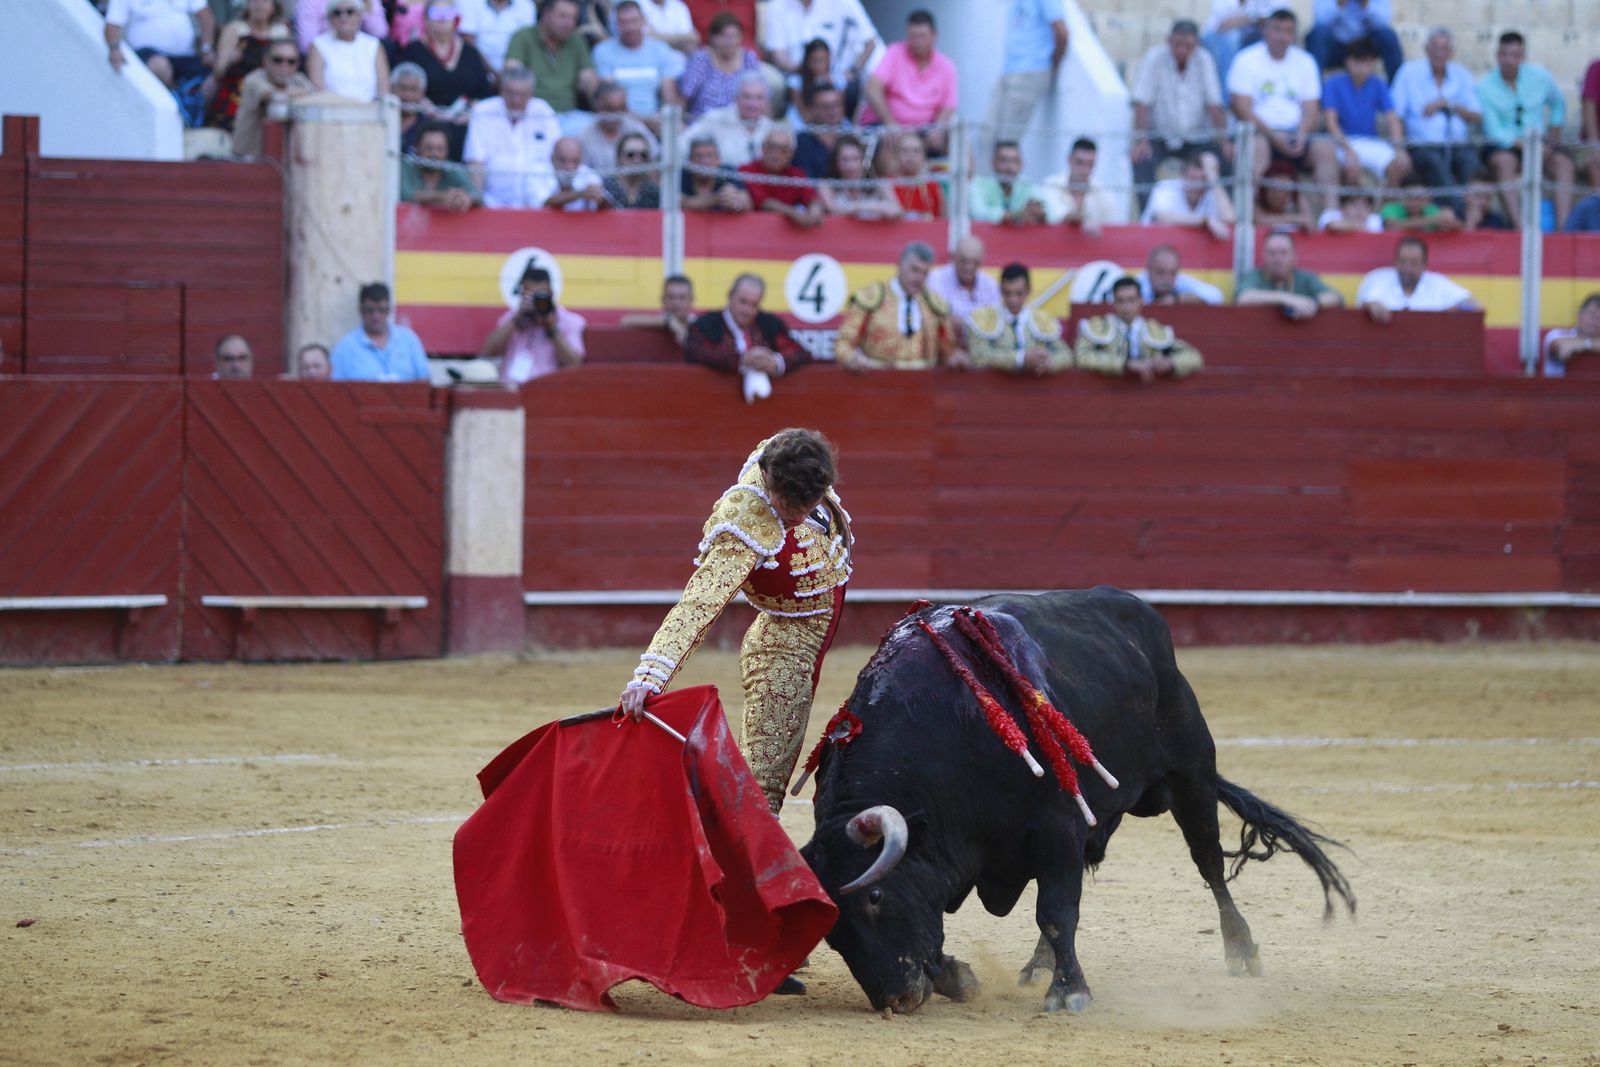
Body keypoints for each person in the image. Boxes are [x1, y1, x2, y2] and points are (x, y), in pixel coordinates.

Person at [617, 428, 853, 828]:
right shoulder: (744, 525)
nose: (796, 514)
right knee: (762, 788)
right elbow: (700, 602)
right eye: (786, 503)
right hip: (785, 639)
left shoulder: (793, 456)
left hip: (815, 619)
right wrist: (650, 676)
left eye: (807, 502)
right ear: (767, 479)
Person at [1478, 31, 1577, 231]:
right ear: (1497, 55)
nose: (1509, 60)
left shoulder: (1540, 77)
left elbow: (1558, 104)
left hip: (1541, 142)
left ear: (1523, 57)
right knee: (1503, 163)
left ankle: (1562, 230)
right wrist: (1530, 147)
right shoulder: (1484, 86)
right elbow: (1494, 132)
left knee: (1564, 165)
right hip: (1508, 146)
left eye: (1515, 55)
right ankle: (1519, 228)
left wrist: (1552, 139)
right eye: (1504, 54)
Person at [1131, 19, 1230, 208]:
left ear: (1197, 45)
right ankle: (1150, 215)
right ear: (1169, 41)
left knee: (1224, 159)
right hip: (1159, 136)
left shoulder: (1204, 59)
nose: (1182, 50)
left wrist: (1224, 140)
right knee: (1141, 158)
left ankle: (1221, 216)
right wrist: (1141, 139)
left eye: (1188, 46)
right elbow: (1141, 102)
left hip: (1196, 138)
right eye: (1178, 44)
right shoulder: (1155, 57)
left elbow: (1214, 104)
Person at [1227, 8, 1321, 193]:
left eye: (1288, 31)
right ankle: (1254, 212)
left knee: (1324, 149)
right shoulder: (1245, 59)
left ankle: (1330, 214)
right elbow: (1241, 109)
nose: (1283, 37)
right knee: (1258, 146)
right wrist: (1272, 135)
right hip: (1259, 133)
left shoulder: (1306, 61)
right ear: (1265, 31)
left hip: (1295, 135)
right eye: (1277, 30)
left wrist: (1301, 135)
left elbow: (1311, 109)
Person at [1390, 28, 1481, 215]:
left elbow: (1476, 115)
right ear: (1426, 50)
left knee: (1471, 164)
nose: (1439, 53)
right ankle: (1457, 214)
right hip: (1422, 145)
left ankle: (1473, 213)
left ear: (1451, 52)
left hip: (1457, 144)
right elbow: (1395, 115)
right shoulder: (1409, 73)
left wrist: (1448, 104)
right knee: (1434, 163)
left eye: (1444, 48)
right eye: (1435, 47)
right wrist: (1399, 149)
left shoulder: (1462, 75)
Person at [833, 241, 958, 371]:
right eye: (914, 270)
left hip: (923, 384)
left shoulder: (934, 305)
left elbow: (948, 351)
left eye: (925, 273)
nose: (919, 278)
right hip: (878, 380)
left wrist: (955, 358)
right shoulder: (873, 298)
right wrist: (853, 359)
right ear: (899, 266)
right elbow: (843, 344)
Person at [685, 273, 812, 393]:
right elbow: (696, 351)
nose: (747, 310)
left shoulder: (770, 324)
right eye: (743, 302)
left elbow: (800, 352)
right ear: (730, 295)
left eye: (754, 305)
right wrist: (742, 360)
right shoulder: (706, 324)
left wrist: (775, 362)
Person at [859, 9, 959, 157]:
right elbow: (872, 88)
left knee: (960, 141)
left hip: (924, 132)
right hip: (888, 127)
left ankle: (965, 180)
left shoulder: (946, 66)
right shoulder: (894, 53)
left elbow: (949, 106)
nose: (918, 42)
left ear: (934, 36)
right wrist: (890, 122)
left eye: (922, 36)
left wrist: (938, 127)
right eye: (913, 36)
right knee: (890, 143)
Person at [1320, 36, 1410, 193]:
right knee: (1352, 168)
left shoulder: (1377, 84)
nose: (1362, 68)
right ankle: (1352, 211)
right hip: (1342, 142)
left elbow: (1392, 119)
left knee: (1402, 164)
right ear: (1348, 62)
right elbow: (1331, 122)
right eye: (1358, 62)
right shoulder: (1334, 83)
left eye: (1367, 63)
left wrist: (1399, 148)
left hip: (1370, 141)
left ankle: (1383, 212)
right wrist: (1348, 150)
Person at [464, 67, 562, 207]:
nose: (516, 100)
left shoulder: (544, 111)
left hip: (540, 201)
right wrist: (479, 204)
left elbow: (559, 157)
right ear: (501, 91)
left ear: (532, 93)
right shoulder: (483, 111)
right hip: (493, 202)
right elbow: (475, 162)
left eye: (522, 95)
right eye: (511, 94)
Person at [1074, 276, 1203, 381]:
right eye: (1121, 301)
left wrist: (1170, 363)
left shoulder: (1155, 331)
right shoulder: (1099, 328)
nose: (1126, 307)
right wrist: (1125, 364)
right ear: (1113, 303)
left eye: (1131, 300)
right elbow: (1081, 357)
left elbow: (1194, 357)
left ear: (1141, 301)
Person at [984, 0, 1069, 151]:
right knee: (986, 137)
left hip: (1030, 71)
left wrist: (1052, 68)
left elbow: (1061, 32)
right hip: (1009, 71)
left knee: (1007, 142)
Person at [482, 262, 586, 383]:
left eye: (540, 296)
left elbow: (574, 362)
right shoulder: (512, 318)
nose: (535, 302)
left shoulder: (570, 321)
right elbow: (488, 352)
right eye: (530, 296)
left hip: (547, 391)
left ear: (550, 294)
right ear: (521, 294)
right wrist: (516, 318)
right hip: (511, 389)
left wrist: (551, 327)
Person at [763, 0, 882, 104]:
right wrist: (809, 72)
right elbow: (778, 55)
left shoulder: (844, 2)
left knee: (854, 90)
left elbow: (870, 42)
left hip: (840, 79)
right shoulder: (776, 5)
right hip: (799, 78)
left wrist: (851, 72)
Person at [395, 4, 496, 125]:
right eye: (436, 12)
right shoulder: (413, 51)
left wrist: (470, 114)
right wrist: (432, 112)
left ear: (456, 19)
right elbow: (404, 88)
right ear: (426, 19)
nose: (442, 18)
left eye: (449, 13)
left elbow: (483, 94)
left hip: (467, 123)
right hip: (425, 123)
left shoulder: (471, 53)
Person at [964, 263, 1070, 375]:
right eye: (1007, 293)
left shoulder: (1041, 319)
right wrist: (1020, 359)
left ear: (1028, 291)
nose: (1013, 300)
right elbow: (978, 356)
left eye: (1019, 293)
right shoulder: (984, 318)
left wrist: (1048, 362)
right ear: (1000, 290)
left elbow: (1066, 354)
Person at [206, 0, 292, 132]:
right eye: (254, 1)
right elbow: (218, 72)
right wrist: (229, 60)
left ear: (273, 7)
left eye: (264, 1)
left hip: (271, 94)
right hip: (237, 97)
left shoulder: (280, 32)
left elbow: (290, 65)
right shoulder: (235, 30)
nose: (259, 4)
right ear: (247, 5)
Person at [592, 0, 685, 118]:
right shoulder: (603, 52)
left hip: (656, 119)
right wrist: (643, 121)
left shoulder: (660, 50)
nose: (630, 27)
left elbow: (669, 97)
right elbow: (610, 100)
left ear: (643, 21)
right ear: (616, 25)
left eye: (634, 21)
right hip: (619, 120)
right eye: (623, 22)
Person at [504, 0, 597, 117]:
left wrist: (600, 96)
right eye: (563, 16)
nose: (569, 23)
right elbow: (512, 71)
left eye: (573, 18)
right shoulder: (523, 37)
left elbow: (588, 79)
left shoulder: (576, 41)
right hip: (531, 115)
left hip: (568, 115)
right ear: (546, 14)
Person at [1356, 236, 1478, 322]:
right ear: (1395, 262)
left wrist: (1445, 316)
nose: (1407, 268)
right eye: (1402, 262)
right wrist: (1370, 305)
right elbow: (1361, 304)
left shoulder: (1437, 283)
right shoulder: (1377, 279)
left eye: (1414, 263)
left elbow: (1473, 305)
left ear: (1424, 265)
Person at [105, 0, 216, 90]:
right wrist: (114, 49)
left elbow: (206, 16)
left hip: (185, 55)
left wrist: (207, 49)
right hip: (149, 54)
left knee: (212, 78)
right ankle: (178, 99)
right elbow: (112, 25)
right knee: (159, 66)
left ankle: (192, 112)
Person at [232, 36, 314, 158]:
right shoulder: (255, 78)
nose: (284, 66)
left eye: (291, 61)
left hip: (282, 160)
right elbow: (272, 96)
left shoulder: (298, 79)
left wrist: (308, 93)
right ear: (266, 61)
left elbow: (319, 95)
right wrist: (306, 93)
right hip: (248, 158)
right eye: (278, 60)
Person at [331, 283, 433, 380]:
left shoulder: (408, 340)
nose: (376, 316)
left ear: (389, 310)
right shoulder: (345, 347)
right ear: (360, 310)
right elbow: (337, 389)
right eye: (370, 310)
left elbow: (424, 381)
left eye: (381, 310)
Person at [1235, 230, 1343, 319]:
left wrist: (1310, 303)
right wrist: (1287, 299)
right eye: (1271, 253)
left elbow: (1335, 297)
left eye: (1284, 253)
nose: (1278, 259)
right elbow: (1243, 298)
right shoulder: (1255, 276)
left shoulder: (1305, 277)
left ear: (1294, 256)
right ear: (1264, 256)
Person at [677, 11, 761, 119]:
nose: (729, 41)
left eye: (734, 36)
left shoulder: (749, 58)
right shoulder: (701, 59)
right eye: (724, 36)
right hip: (705, 123)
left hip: (740, 124)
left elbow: (760, 96)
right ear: (712, 37)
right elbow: (685, 96)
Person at [679, 72, 773, 168]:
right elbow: (682, 145)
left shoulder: (770, 129)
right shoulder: (715, 119)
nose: (752, 104)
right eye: (746, 97)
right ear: (736, 98)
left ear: (766, 101)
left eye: (759, 98)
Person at [1140, 151, 1234, 240]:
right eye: (1192, 178)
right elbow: (1161, 216)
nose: (1198, 185)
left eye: (1203, 179)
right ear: (1182, 176)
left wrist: (1213, 177)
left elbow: (1229, 220)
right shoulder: (1166, 187)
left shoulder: (1211, 195)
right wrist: (1205, 220)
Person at [738, 127, 823, 226]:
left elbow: (810, 197)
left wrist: (815, 209)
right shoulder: (748, 170)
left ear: (791, 154)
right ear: (763, 148)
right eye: (771, 147)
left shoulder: (796, 174)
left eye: (783, 150)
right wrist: (793, 213)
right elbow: (764, 202)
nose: (776, 154)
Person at [307, 0, 389, 101]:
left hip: (370, 111)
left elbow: (383, 90)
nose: (343, 17)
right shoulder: (318, 45)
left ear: (359, 16)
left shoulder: (373, 45)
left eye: (350, 12)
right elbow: (318, 88)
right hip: (331, 111)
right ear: (330, 18)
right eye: (337, 13)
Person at [1305, 0, 1403, 81]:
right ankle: (1314, 92)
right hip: (1336, 47)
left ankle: (1397, 88)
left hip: (1366, 46)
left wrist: (1365, 4)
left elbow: (1384, 22)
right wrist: (1339, 4)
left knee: (1387, 35)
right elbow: (1320, 20)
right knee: (1318, 34)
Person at [1040, 137, 1117, 237]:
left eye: (1090, 164)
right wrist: (1085, 219)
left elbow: (1111, 230)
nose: (1085, 170)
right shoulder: (1051, 185)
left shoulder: (1105, 193)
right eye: (1079, 162)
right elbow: (1057, 215)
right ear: (1069, 159)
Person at [577, 81, 661, 170]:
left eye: (620, 108)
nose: (616, 115)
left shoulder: (635, 127)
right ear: (597, 106)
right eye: (610, 109)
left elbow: (654, 156)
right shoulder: (584, 136)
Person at [927, 235, 1001, 333]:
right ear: (954, 257)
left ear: (982, 261)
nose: (968, 267)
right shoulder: (936, 279)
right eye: (964, 260)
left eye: (974, 262)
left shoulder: (990, 285)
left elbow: (995, 322)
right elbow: (936, 318)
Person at [817, 135, 900, 219]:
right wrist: (873, 206)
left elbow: (896, 210)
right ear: (835, 162)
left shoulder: (879, 183)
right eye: (844, 159)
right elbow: (833, 209)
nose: (850, 166)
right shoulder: (827, 184)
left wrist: (856, 208)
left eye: (855, 159)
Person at [402, 123, 483, 211]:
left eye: (440, 149)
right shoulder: (405, 167)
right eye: (429, 148)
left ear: (447, 151)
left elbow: (477, 195)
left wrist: (467, 198)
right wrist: (442, 196)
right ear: (417, 148)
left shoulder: (452, 169)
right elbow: (405, 194)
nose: (434, 154)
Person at [970, 140, 1046, 226]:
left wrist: (1040, 214)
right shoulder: (978, 185)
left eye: (1014, 161)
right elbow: (977, 213)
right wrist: (1015, 215)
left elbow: (1050, 214)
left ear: (1021, 165)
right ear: (993, 163)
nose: (1009, 167)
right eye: (1003, 160)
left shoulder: (1029, 187)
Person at [1200, 0, 1273, 85]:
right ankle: (1228, 93)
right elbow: (1223, 24)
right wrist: (1255, 18)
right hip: (1218, 35)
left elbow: (1278, 15)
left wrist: (1248, 19)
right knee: (1231, 39)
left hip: (1254, 34)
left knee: (1275, 37)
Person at [792, 83, 850, 180]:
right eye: (826, 106)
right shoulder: (801, 141)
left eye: (837, 105)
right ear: (812, 109)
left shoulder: (850, 138)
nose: (833, 111)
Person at [459, 0, 536, 73]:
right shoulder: (468, 2)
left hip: (514, 73)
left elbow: (527, 44)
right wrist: (495, 75)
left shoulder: (526, 6)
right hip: (477, 68)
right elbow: (468, 43)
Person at [680, 137, 753, 212]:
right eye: (698, 156)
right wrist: (717, 198)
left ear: (718, 159)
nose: (704, 161)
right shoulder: (682, 175)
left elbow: (747, 202)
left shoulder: (727, 172)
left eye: (709, 155)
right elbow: (681, 203)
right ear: (690, 160)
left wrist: (736, 202)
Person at [620, 274, 696, 345]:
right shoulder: (659, 320)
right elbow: (625, 321)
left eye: (682, 298)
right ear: (662, 300)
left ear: (691, 300)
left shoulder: (699, 324)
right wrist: (668, 321)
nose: (675, 302)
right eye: (670, 297)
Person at [1139, 244, 1223, 306]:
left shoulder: (1180, 280)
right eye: (1160, 272)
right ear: (1148, 270)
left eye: (1172, 273)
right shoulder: (1139, 284)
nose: (1166, 278)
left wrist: (1178, 299)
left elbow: (1216, 296)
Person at [1540, 293, 1600, 377]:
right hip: (1558, 388)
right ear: (1579, 315)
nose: (1595, 320)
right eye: (1592, 314)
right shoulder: (1557, 334)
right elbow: (1559, 347)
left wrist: (1584, 344)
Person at [294, 0, 387, 52]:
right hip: (326, 52)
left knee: (386, 46)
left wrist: (366, 12)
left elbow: (380, 33)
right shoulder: (309, 1)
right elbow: (306, 45)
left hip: (362, 51)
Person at [888, 132, 943, 220]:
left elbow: (941, 217)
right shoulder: (888, 183)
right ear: (896, 155)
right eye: (904, 151)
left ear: (924, 156)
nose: (910, 156)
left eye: (916, 151)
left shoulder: (932, 185)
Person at [1380, 172, 1459, 232]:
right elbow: (1392, 226)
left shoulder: (1431, 210)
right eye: (1410, 198)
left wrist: (1450, 222)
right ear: (1401, 198)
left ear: (1427, 199)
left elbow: (1459, 227)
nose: (1414, 203)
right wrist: (1433, 220)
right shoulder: (1390, 208)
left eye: (1419, 198)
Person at [544, 136, 607, 209]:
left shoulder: (590, 175)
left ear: (581, 160)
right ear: (552, 158)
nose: (569, 167)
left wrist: (599, 197)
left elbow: (605, 207)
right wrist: (581, 194)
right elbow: (545, 203)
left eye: (575, 161)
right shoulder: (537, 173)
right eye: (563, 160)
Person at [602, 132, 661, 206]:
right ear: (619, 157)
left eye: (643, 155)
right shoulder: (605, 188)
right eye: (630, 155)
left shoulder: (654, 192)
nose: (637, 160)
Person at [1255, 159, 1314, 231]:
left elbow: (1309, 223)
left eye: (1284, 188)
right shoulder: (1256, 201)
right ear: (1264, 189)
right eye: (1274, 188)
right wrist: (1294, 218)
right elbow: (1261, 220)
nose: (1278, 194)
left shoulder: (1296, 198)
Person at [1317, 188, 1383, 233]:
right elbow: (1332, 226)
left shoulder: (1374, 219)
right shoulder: (1331, 214)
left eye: (1365, 206)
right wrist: (1359, 226)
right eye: (1354, 205)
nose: (1360, 210)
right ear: (1342, 208)